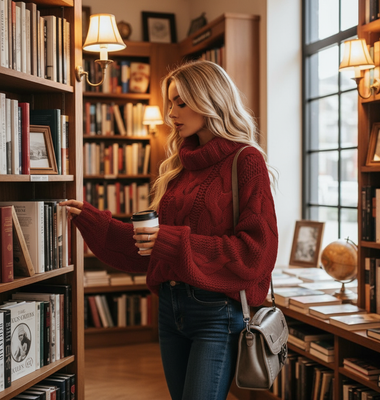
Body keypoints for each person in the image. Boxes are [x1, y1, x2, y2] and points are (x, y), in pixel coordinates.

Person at [61, 60, 278, 400]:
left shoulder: (245, 160)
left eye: (181, 102)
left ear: (210, 100)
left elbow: (256, 255)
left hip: (216, 312)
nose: (171, 114)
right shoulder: (179, 167)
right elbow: (151, 251)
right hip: (170, 307)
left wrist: (170, 240)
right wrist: (92, 220)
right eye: (170, 103)